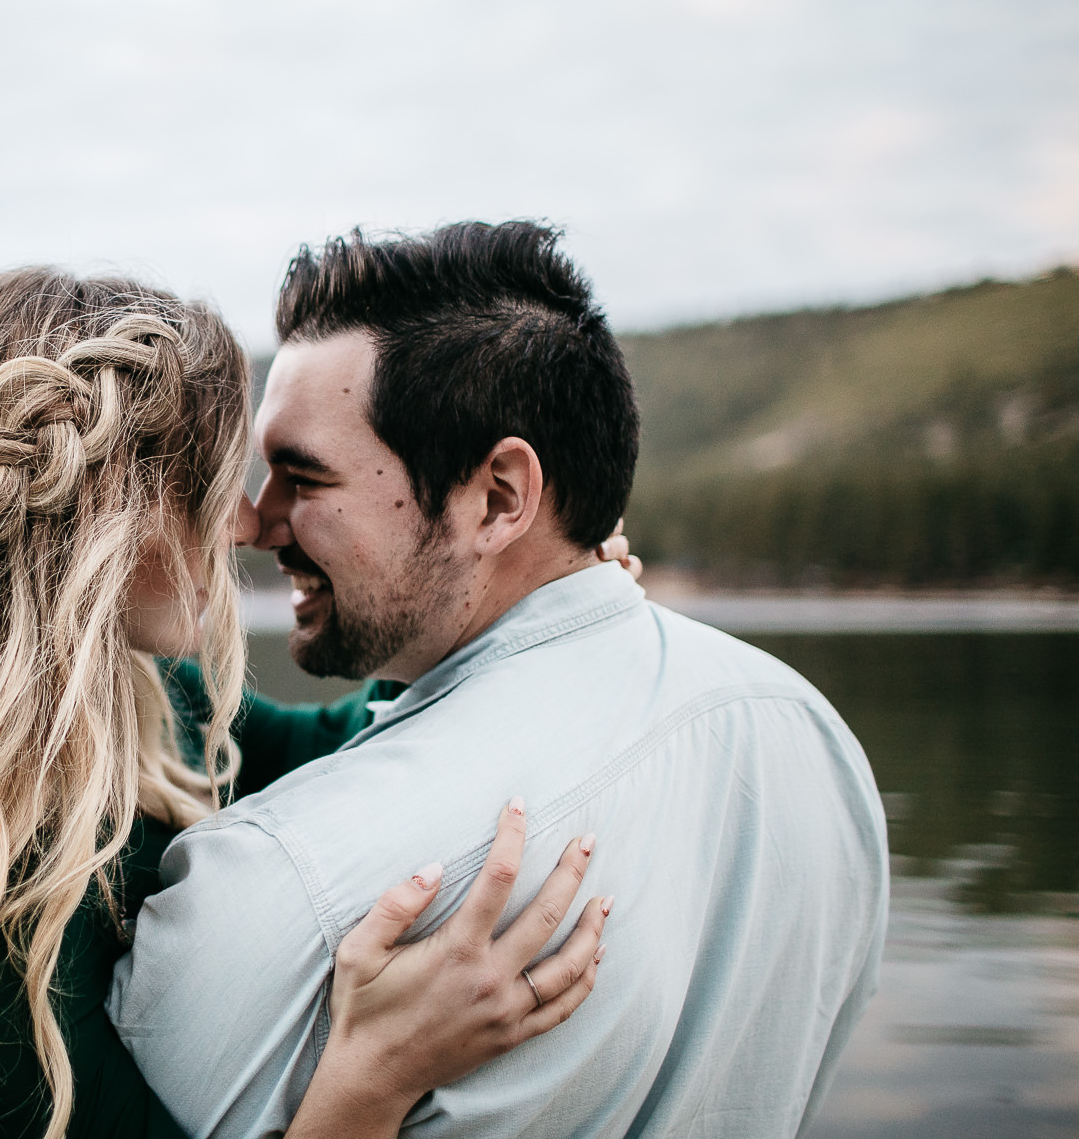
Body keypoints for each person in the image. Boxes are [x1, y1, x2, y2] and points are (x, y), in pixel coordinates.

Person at [0, 268, 619, 1139]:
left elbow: (328, 741)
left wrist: (526, 588)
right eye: (213, 486)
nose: (249, 526)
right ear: (99, 515)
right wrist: (379, 1073)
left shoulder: (133, 706)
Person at [108, 222, 890, 1138]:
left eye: (302, 477)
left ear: (500, 499)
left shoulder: (281, 887)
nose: (257, 522)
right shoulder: (809, 735)